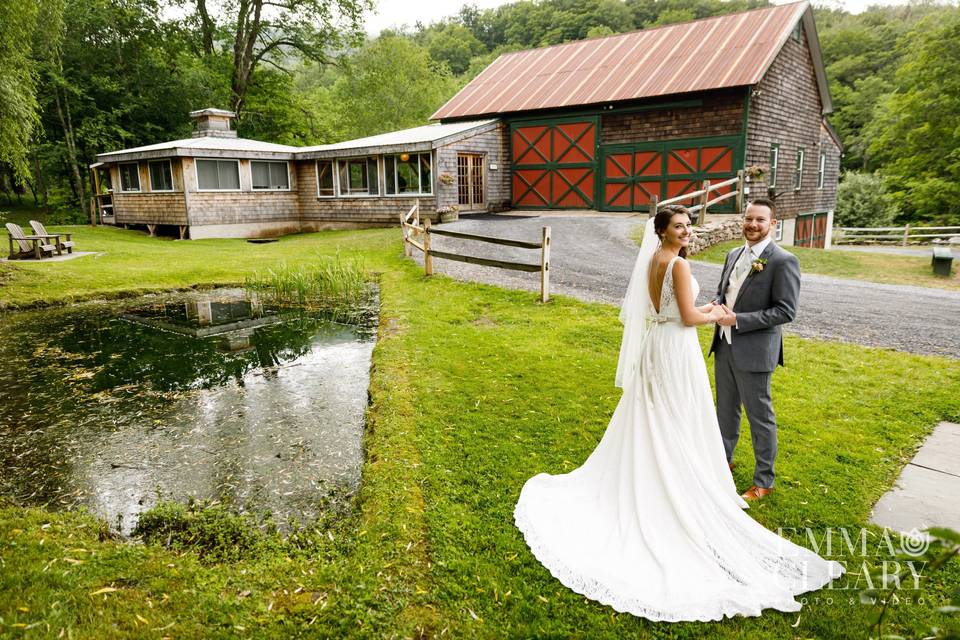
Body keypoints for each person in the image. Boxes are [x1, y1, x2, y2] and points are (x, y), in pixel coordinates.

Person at [514, 205, 842, 622]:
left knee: (656, 415)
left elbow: (671, 309)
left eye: (689, 226)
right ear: (663, 231)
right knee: (679, 415)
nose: (687, 231)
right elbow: (686, 317)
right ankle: (680, 477)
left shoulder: (655, 259)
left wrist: (712, 310)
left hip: (659, 344)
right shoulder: (680, 266)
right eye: (679, 227)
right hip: (676, 348)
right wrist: (716, 314)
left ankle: (740, 475)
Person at [709, 198, 799, 501]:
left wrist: (738, 319)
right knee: (725, 411)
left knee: (760, 417)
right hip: (724, 345)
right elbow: (726, 291)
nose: (752, 225)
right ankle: (724, 462)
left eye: (760, 220)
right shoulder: (733, 254)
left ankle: (764, 480)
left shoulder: (783, 260)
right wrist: (715, 307)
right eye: (749, 219)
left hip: (755, 351)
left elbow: (785, 311)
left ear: (772, 224)